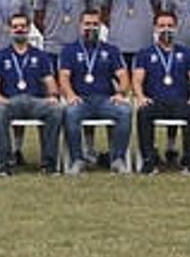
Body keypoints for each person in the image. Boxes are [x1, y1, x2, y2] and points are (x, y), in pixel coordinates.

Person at [57, 11, 133, 175]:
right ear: (80, 26)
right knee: (70, 112)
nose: (91, 28)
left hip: (105, 100)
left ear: (100, 27)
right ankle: (77, 159)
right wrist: (69, 95)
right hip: (80, 100)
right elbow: (63, 77)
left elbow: (123, 76)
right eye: (87, 24)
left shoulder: (110, 50)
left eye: (95, 24)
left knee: (125, 111)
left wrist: (121, 93)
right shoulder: (69, 50)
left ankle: (117, 159)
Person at [0, 12, 62, 176]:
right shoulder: (0, 56)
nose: (19, 30)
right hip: (11, 102)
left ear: (29, 28)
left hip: (35, 102)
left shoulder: (41, 56)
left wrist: (54, 96)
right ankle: (6, 164)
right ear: (8, 30)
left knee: (55, 111)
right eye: (15, 27)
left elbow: (50, 82)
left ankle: (49, 165)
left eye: (22, 26)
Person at [131, 11, 190, 174]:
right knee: (143, 112)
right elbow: (137, 80)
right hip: (155, 102)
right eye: (162, 26)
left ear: (176, 28)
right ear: (155, 28)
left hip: (180, 102)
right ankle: (149, 160)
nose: (166, 30)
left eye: (170, 26)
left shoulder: (187, 53)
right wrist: (141, 97)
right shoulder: (145, 53)